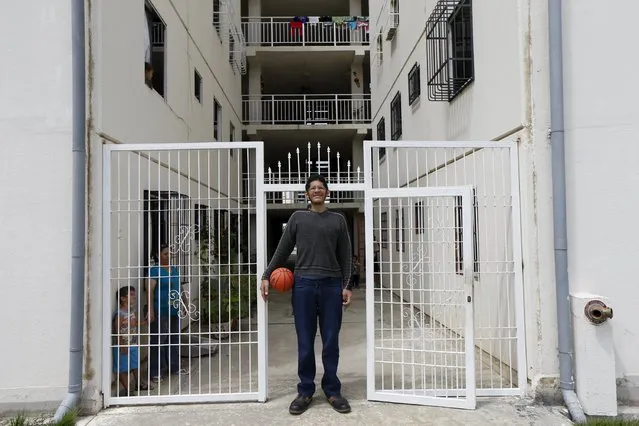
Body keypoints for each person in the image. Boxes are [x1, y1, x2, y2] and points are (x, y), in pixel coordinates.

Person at [261, 174, 353, 415]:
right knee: (305, 342)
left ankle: (332, 390)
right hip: (303, 285)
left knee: (331, 340)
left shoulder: (338, 220)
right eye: (312, 188)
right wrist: (266, 275)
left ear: (327, 192)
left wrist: (347, 285)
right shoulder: (297, 218)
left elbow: (345, 256)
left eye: (320, 187)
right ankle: (305, 390)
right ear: (306, 194)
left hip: (332, 286)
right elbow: (282, 251)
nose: (316, 190)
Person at [146, 244, 187, 382]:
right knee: (158, 340)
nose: (168, 256)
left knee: (174, 338)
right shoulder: (155, 270)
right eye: (165, 254)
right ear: (158, 255)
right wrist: (151, 310)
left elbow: (179, 288)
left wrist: (185, 304)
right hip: (160, 310)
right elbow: (150, 291)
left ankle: (174, 367)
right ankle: (155, 372)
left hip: (175, 309)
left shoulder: (174, 270)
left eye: (170, 253)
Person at [112, 286, 150, 394]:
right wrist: (122, 345)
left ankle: (139, 384)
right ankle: (128, 390)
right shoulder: (119, 314)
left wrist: (145, 322)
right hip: (123, 344)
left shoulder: (131, 311)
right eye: (131, 295)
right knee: (121, 367)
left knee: (135, 364)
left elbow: (134, 323)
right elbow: (117, 330)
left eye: (134, 294)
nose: (134, 297)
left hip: (133, 343)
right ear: (123, 298)